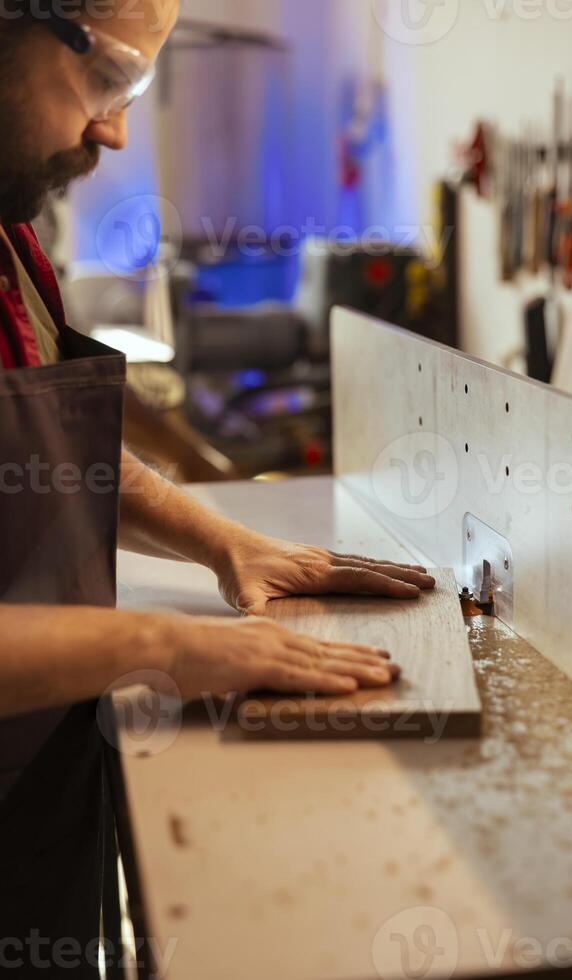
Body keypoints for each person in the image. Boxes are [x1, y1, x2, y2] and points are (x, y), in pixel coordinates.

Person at [0, 1, 435, 974]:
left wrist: (221, 539)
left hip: (40, 780)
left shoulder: (10, 231)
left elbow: (45, 444)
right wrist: (164, 642)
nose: (114, 128)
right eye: (108, 79)